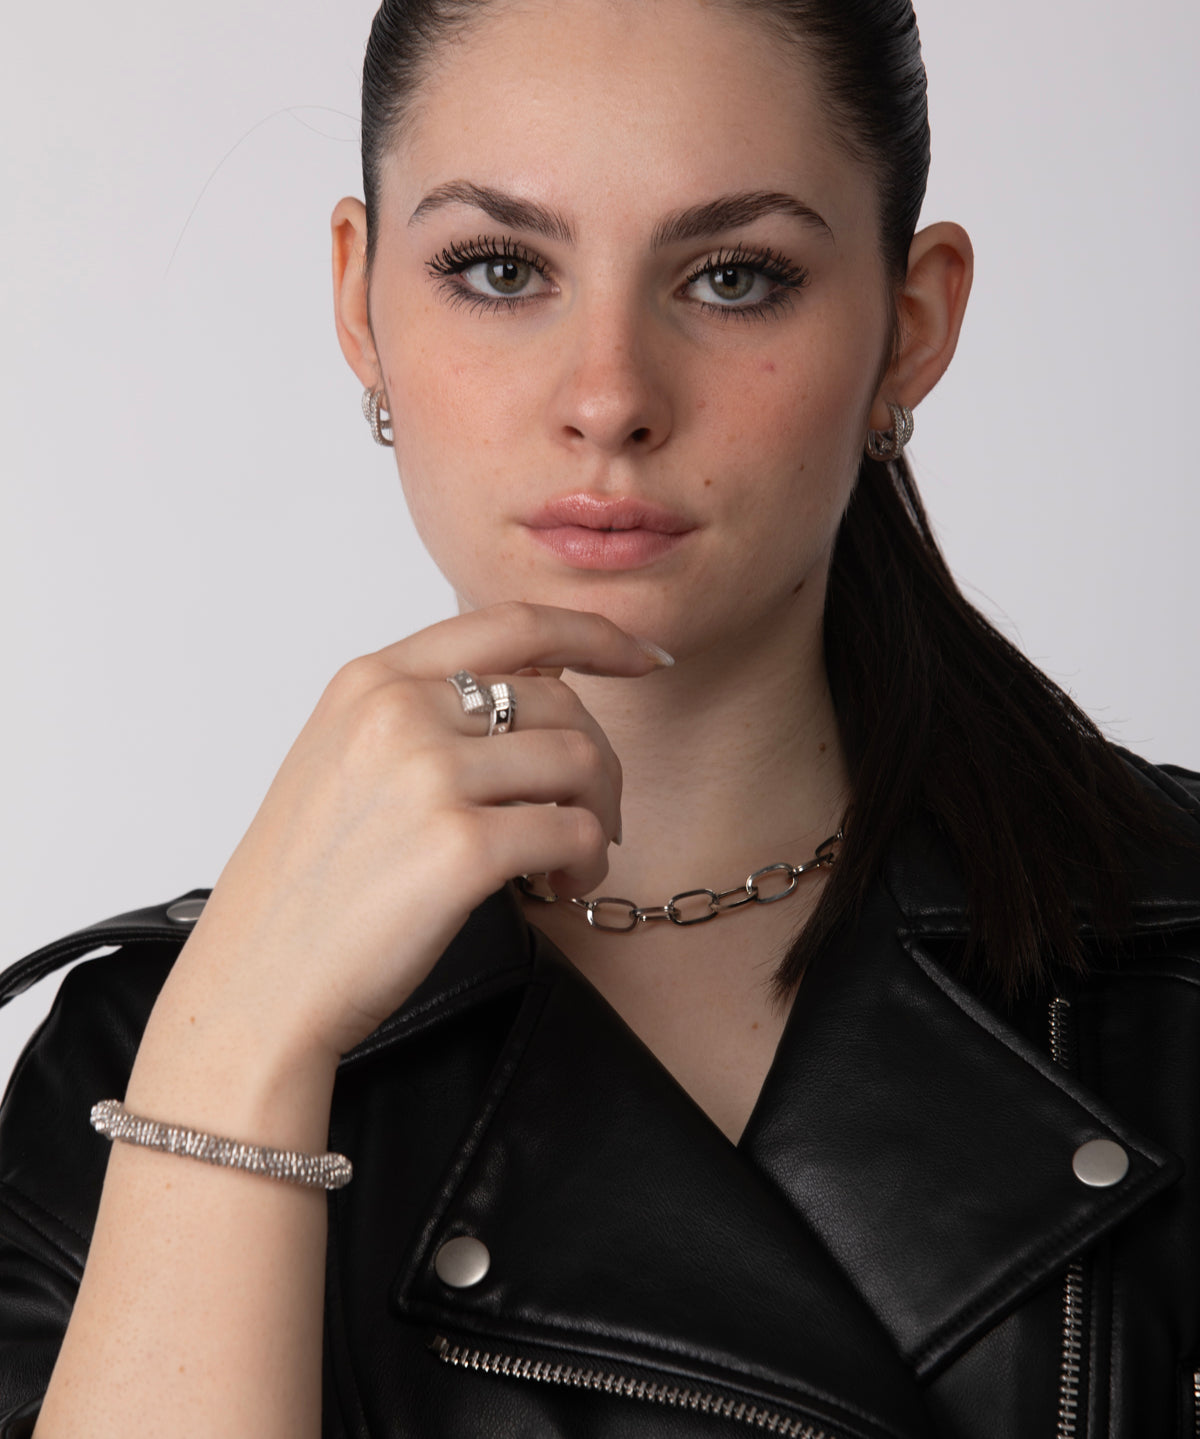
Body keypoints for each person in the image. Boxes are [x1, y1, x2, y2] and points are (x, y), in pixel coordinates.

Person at [1, 0, 1197, 1435]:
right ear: (360, 304)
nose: (609, 397)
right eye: (501, 269)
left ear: (912, 324)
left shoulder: (1175, 957)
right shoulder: (148, 1056)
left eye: (735, 277)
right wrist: (236, 1046)